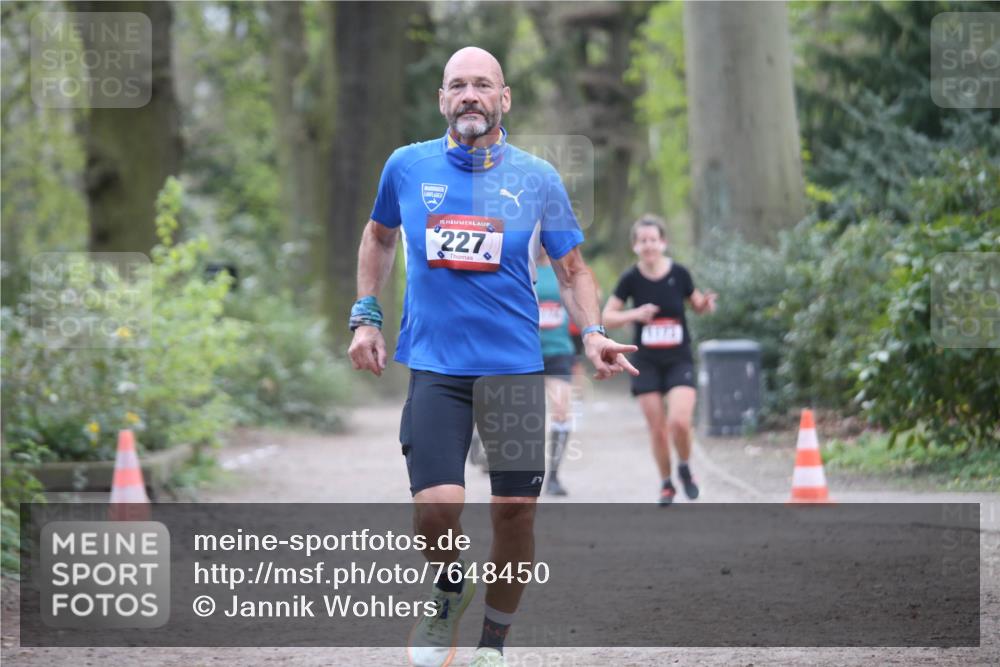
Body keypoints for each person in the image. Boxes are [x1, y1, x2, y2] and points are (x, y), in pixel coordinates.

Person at [348, 46, 638, 667]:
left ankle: (492, 646)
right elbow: (378, 236)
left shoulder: (538, 178)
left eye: (484, 85)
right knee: (436, 508)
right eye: (459, 85)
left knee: (514, 516)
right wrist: (366, 315)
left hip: (512, 370)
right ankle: (450, 587)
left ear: (504, 99)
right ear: (443, 100)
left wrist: (592, 334)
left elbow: (572, 269)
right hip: (436, 366)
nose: (471, 95)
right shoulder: (406, 166)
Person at [602, 215, 717, 507]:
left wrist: (705, 305)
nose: (649, 245)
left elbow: (698, 304)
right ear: (635, 246)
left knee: (679, 421)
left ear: (663, 242)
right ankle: (666, 483)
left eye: (653, 240)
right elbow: (607, 316)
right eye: (643, 241)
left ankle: (686, 468)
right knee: (657, 428)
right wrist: (634, 314)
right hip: (645, 361)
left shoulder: (679, 273)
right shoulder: (630, 278)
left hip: (679, 359)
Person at [534, 248, 576, 496]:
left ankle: (554, 475)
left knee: (561, 412)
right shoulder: (520, 265)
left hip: (559, 351)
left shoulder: (565, 271)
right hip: (526, 351)